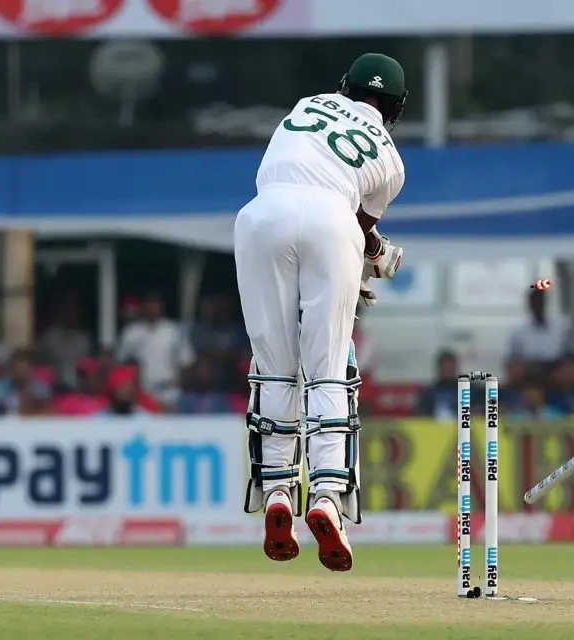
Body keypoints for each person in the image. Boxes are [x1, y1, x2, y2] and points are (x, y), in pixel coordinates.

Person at [233, 53, 408, 572]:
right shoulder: (392, 163)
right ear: (396, 107)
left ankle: (277, 492)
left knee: (274, 363)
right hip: (333, 224)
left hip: (261, 216)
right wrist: (372, 257)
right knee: (328, 365)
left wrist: (367, 253)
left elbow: (306, 180)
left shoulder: (308, 105)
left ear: (345, 87)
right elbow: (354, 219)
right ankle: (328, 497)